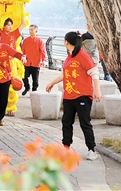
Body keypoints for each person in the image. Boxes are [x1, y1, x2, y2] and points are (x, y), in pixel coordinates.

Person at [46, 32, 102, 161]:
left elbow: (94, 73)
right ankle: (66, 147)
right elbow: (64, 75)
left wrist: (97, 91)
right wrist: (51, 83)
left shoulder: (83, 56)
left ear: (66, 42)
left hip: (83, 96)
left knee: (85, 123)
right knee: (66, 122)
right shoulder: (69, 57)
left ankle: (91, 149)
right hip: (69, 96)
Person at [0, 29, 26, 128]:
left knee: (3, 99)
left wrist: (22, 57)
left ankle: (0, 119)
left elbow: (15, 53)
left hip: (6, 78)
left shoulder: (5, 47)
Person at [21, 24, 46, 95]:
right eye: (29, 30)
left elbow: (43, 51)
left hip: (36, 63)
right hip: (27, 62)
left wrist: (43, 60)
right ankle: (27, 87)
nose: (30, 31)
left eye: (32, 30)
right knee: (23, 76)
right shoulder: (25, 40)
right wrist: (22, 57)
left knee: (35, 80)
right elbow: (22, 51)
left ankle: (34, 91)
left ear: (36, 31)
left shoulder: (39, 41)